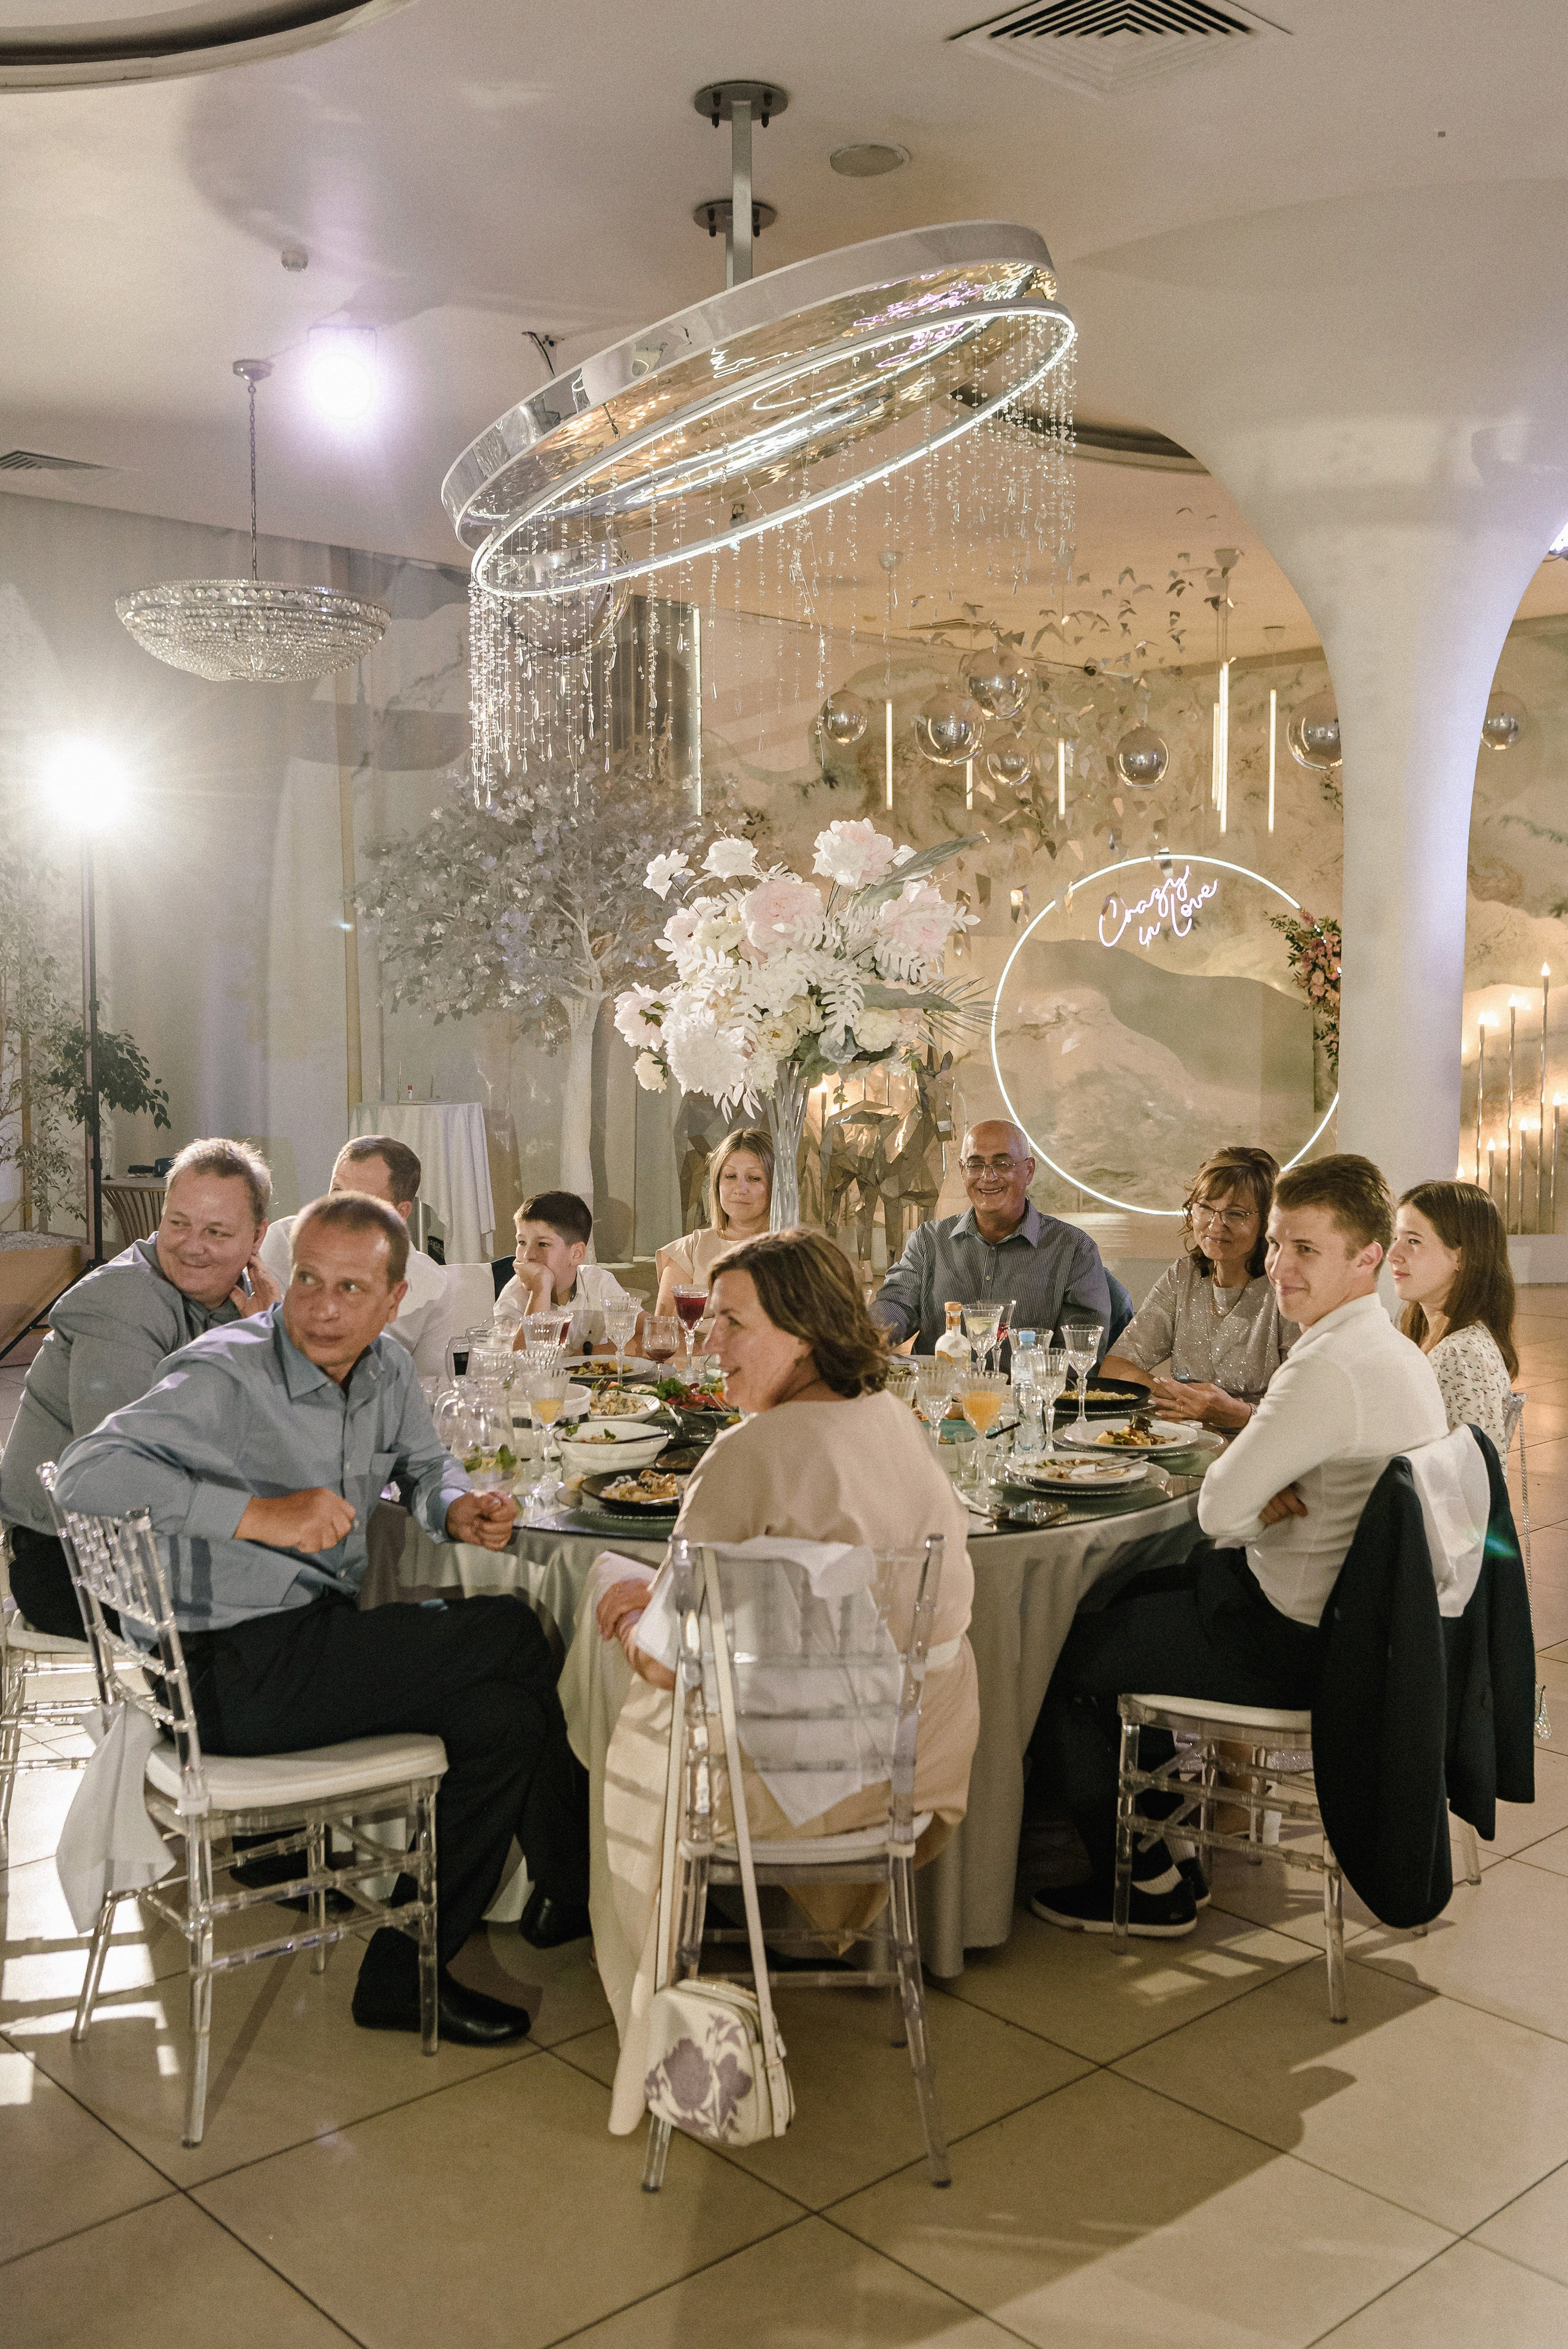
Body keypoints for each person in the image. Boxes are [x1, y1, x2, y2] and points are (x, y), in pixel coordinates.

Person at [53, 1191, 591, 2043]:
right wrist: (254, 1514)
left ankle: (404, 1972)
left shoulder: (384, 1372)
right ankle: (576, 1881)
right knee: (511, 1630)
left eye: (350, 1288)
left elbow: (427, 1468)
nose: (322, 1307)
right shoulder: (224, 1371)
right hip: (221, 1673)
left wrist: (453, 1508)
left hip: (310, 1644)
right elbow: (86, 1472)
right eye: (307, 1279)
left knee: (505, 1717)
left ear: (392, 1298)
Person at [580, 1227, 978, 2135]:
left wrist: (628, 1610)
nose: (706, 1339)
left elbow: (664, 1660)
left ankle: (623, 1951)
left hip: (805, 1783)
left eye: (732, 1321)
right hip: (917, 1761)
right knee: (649, 1615)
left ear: (801, 1332)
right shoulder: (893, 1418)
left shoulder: (747, 1454)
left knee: (611, 1631)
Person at [1027, 1153, 1447, 1939]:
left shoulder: (1325, 1367)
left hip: (1290, 1641)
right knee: (1121, 1594)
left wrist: (1247, 1501)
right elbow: (1238, 1499)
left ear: (1367, 1259)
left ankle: (1145, 1884)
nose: (1280, 1266)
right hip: (1349, 1626)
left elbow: (1220, 1508)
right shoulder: (1391, 1350)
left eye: (1306, 1249)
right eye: (1279, 1243)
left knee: (1063, 1658)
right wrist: (1260, 1494)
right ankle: (1166, 1845)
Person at [2, 1138, 280, 1640]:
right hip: (71, 1563)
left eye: (216, 1231)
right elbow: (126, 1476)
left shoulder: (244, 1303)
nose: (192, 1245)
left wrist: (269, 1338)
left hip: (159, 1544)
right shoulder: (124, 1300)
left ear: (258, 1236)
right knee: (290, 1613)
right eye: (178, 1223)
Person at [870, 1118, 1110, 1357]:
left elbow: (1078, 1350)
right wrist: (866, 1339)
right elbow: (896, 1304)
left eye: (1002, 1164)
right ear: (962, 1171)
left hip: (1027, 1383)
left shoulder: (1074, 1249)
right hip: (940, 1381)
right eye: (975, 1165)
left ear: (1029, 1171)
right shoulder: (929, 1241)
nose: (988, 1177)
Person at [1102, 1145, 1296, 1433]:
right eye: (1205, 1207)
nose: (1216, 1225)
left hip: (1261, 1440)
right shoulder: (1184, 1275)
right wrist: (1188, 1401)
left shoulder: (1286, 1287)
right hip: (1186, 1435)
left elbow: (1304, 1409)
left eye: (1236, 1214)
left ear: (1267, 1221)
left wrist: (1239, 1414)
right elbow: (1116, 1367)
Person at [259, 1134, 451, 1381]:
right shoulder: (283, 1242)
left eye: (359, 1202)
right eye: (337, 1191)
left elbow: (430, 1387)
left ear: (400, 1212)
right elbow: (264, 1348)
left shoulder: (432, 1284)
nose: (338, 1211)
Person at [1389, 1179, 1518, 1452]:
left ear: (1460, 1258)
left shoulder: (1460, 1354)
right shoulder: (1433, 1335)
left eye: (1413, 1241)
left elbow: (1468, 1470)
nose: (1393, 1254)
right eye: (1395, 1239)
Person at [653, 1126, 775, 1316]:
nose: (740, 1189)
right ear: (717, 1183)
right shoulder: (687, 1252)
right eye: (730, 1176)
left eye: (754, 1178)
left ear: (776, 1185)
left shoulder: (794, 1253)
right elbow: (665, 1328)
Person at [495, 1191, 635, 1344]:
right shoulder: (513, 1299)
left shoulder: (599, 1283)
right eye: (522, 1242)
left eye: (543, 1244)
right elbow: (521, 1357)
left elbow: (645, 1337)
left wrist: (584, 1355)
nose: (528, 1255)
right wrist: (541, 1287)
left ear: (576, 1254)